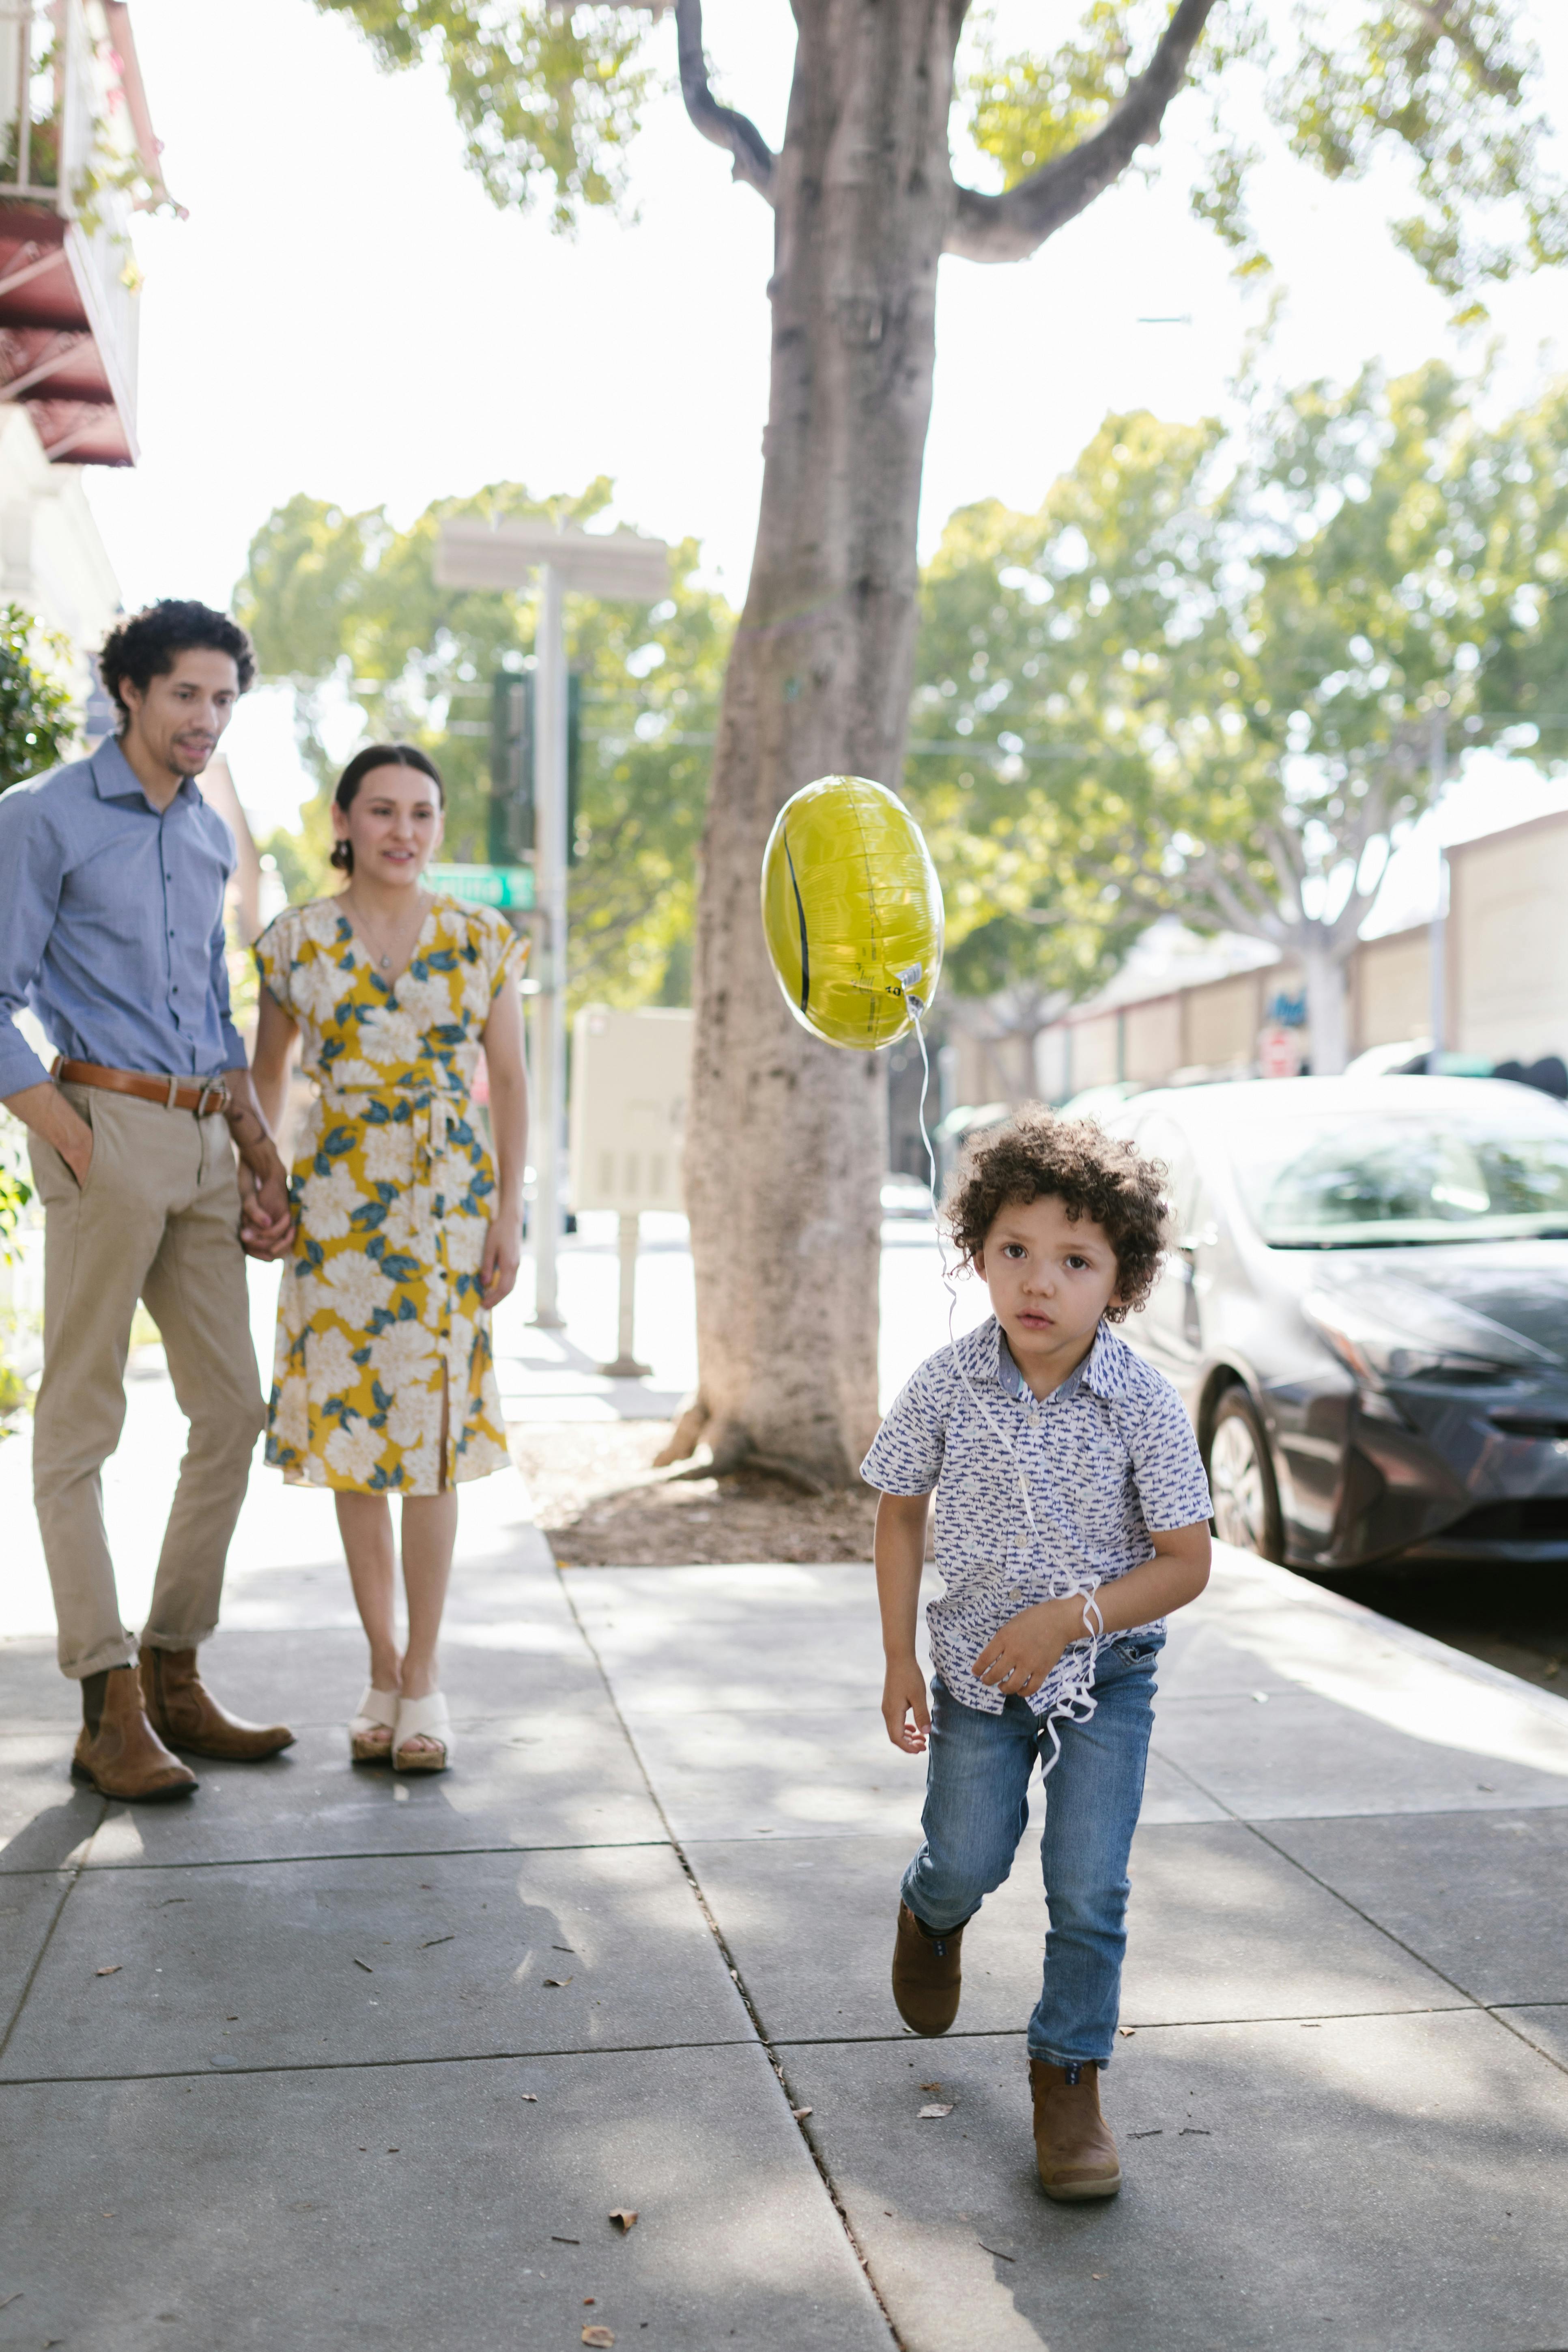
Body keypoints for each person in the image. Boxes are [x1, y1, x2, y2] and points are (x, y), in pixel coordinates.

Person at [863, 1109, 1213, 2203]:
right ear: (977, 1253)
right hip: (973, 1675)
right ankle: (933, 1908)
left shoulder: (1143, 1403)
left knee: (1089, 1884)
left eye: (1074, 1259)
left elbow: (1186, 1561)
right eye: (1014, 1249)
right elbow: (898, 1510)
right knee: (969, 1852)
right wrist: (897, 1658)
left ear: (1122, 1279)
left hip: (1105, 1677)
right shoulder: (944, 1383)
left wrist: (1070, 1617)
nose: (1039, 1281)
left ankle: (1068, 2076)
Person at [0, 600, 298, 1802]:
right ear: (130, 690)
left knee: (233, 1406)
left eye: (224, 699)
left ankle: (175, 1668)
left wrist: (260, 1147)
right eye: (186, 694)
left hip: (205, 1135)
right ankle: (103, 1696)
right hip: (106, 1124)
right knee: (81, 1424)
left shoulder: (207, 835)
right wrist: (74, 1132)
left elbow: (216, 1015)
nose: (207, 719)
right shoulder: (41, 817)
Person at [249, 743, 528, 1774]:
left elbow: (510, 1079)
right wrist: (263, 1184)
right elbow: (265, 1082)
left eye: (421, 813)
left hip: (449, 1208)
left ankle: (425, 1678)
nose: (402, 831)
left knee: (436, 1442)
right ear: (345, 820)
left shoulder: (481, 938)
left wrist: (506, 1213)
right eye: (382, 811)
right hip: (338, 1209)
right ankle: (380, 1664)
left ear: (438, 828)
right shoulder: (295, 943)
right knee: (356, 1440)